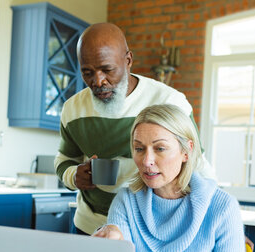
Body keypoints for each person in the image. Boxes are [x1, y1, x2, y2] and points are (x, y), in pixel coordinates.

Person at [54, 22, 208, 235]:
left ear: (128, 61)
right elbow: (64, 160)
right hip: (89, 227)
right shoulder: (72, 109)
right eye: (87, 72)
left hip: (152, 229)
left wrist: (218, 223)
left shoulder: (168, 101)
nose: (98, 81)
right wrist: (74, 176)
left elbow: (197, 166)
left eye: (107, 70)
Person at [93, 104, 246, 252]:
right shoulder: (126, 201)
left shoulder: (222, 207)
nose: (147, 161)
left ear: (186, 151)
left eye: (160, 148)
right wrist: (107, 240)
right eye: (139, 149)